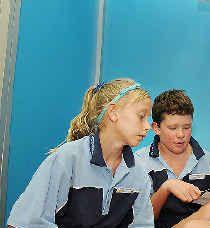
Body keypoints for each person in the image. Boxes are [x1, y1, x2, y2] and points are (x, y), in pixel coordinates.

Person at [7, 78, 155, 227]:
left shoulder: (139, 174)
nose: (147, 126)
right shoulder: (67, 159)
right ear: (113, 112)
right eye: (141, 116)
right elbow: (21, 223)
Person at [135, 89, 210, 228]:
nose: (181, 134)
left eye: (186, 127)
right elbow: (139, 221)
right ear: (156, 128)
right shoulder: (139, 162)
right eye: (173, 128)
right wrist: (166, 188)